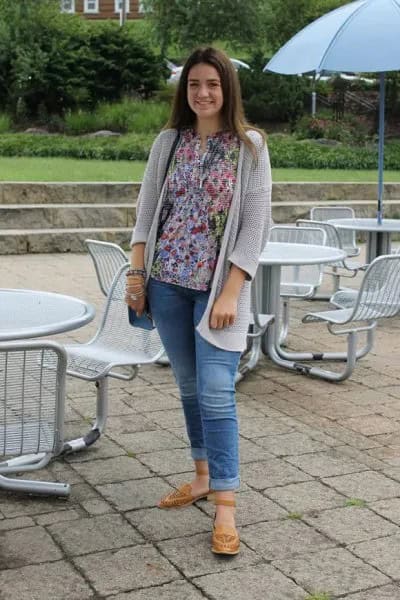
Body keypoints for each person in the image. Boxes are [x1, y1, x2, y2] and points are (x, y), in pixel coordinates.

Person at [125, 46, 272, 556]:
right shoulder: (168, 142)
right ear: (184, 91)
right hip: (166, 284)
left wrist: (232, 290)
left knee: (216, 390)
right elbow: (146, 215)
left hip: (217, 292)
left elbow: (255, 225)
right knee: (188, 387)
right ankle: (202, 476)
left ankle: (226, 506)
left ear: (227, 89)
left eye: (212, 84)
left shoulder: (250, 146)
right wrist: (138, 275)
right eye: (194, 85)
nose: (203, 93)